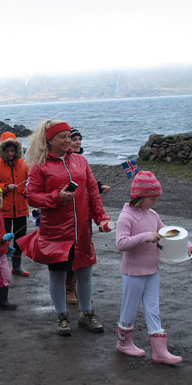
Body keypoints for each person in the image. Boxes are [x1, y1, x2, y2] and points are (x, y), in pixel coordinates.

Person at [17, 120, 112, 336]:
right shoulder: (39, 166)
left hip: (82, 231)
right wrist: (56, 197)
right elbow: (31, 197)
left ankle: (86, 313)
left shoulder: (80, 161)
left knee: (85, 273)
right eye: (63, 136)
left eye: (69, 136)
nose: (68, 140)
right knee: (58, 275)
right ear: (49, 139)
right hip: (56, 232)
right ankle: (61, 316)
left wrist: (102, 218)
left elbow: (92, 193)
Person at [115, 171, 192, 364]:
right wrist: (145, 237)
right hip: (133, 273)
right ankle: (123, 343)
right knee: (130, 309)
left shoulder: (152, 214)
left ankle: (160, 351)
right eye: (152, 198)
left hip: (152, 270)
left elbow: (167, 231)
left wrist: (187, 244)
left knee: (153, 309)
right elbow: (121, 243)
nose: (155, 202)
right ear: (140, 197)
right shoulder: (126, 216)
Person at [65, 127, 111, 305]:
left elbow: (88, 184)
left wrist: (99, 188)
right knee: (69, 254)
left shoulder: (82, 160)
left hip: (83, 215)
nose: (77, 142)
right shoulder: (62, 162)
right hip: (68, 215)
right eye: (73, 139)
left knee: (83, 252)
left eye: (78, 140)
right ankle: (68, 288)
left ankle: (78, 288)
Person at [0, 132, 30, 276]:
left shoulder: (24, 164)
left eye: (13, 150)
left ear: (17, 150)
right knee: (2, 240)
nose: (10, 153)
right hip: (3, 210)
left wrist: (28, 191)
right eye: (7, 150)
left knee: (20, 239)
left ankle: (16, 267)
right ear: (2, 151)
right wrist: (6, 187)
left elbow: (31, 182)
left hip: (21, 209)